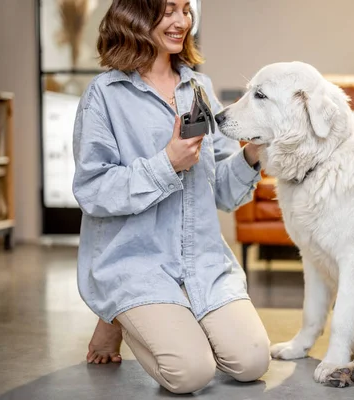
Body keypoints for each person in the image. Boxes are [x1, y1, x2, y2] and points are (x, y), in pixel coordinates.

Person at [72, 0, 270, 394]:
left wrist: (252, 153)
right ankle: (119, 315)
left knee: (251, 361)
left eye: (186, 9)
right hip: (136, 262)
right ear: (136, 14)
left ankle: (164, 314)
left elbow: (225, 192)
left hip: (202, 263)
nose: (182, 21)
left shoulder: (200, 87)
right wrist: (166, 163)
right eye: (168, 11)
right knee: (191, 373)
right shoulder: (104, 96)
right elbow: (92, 190)